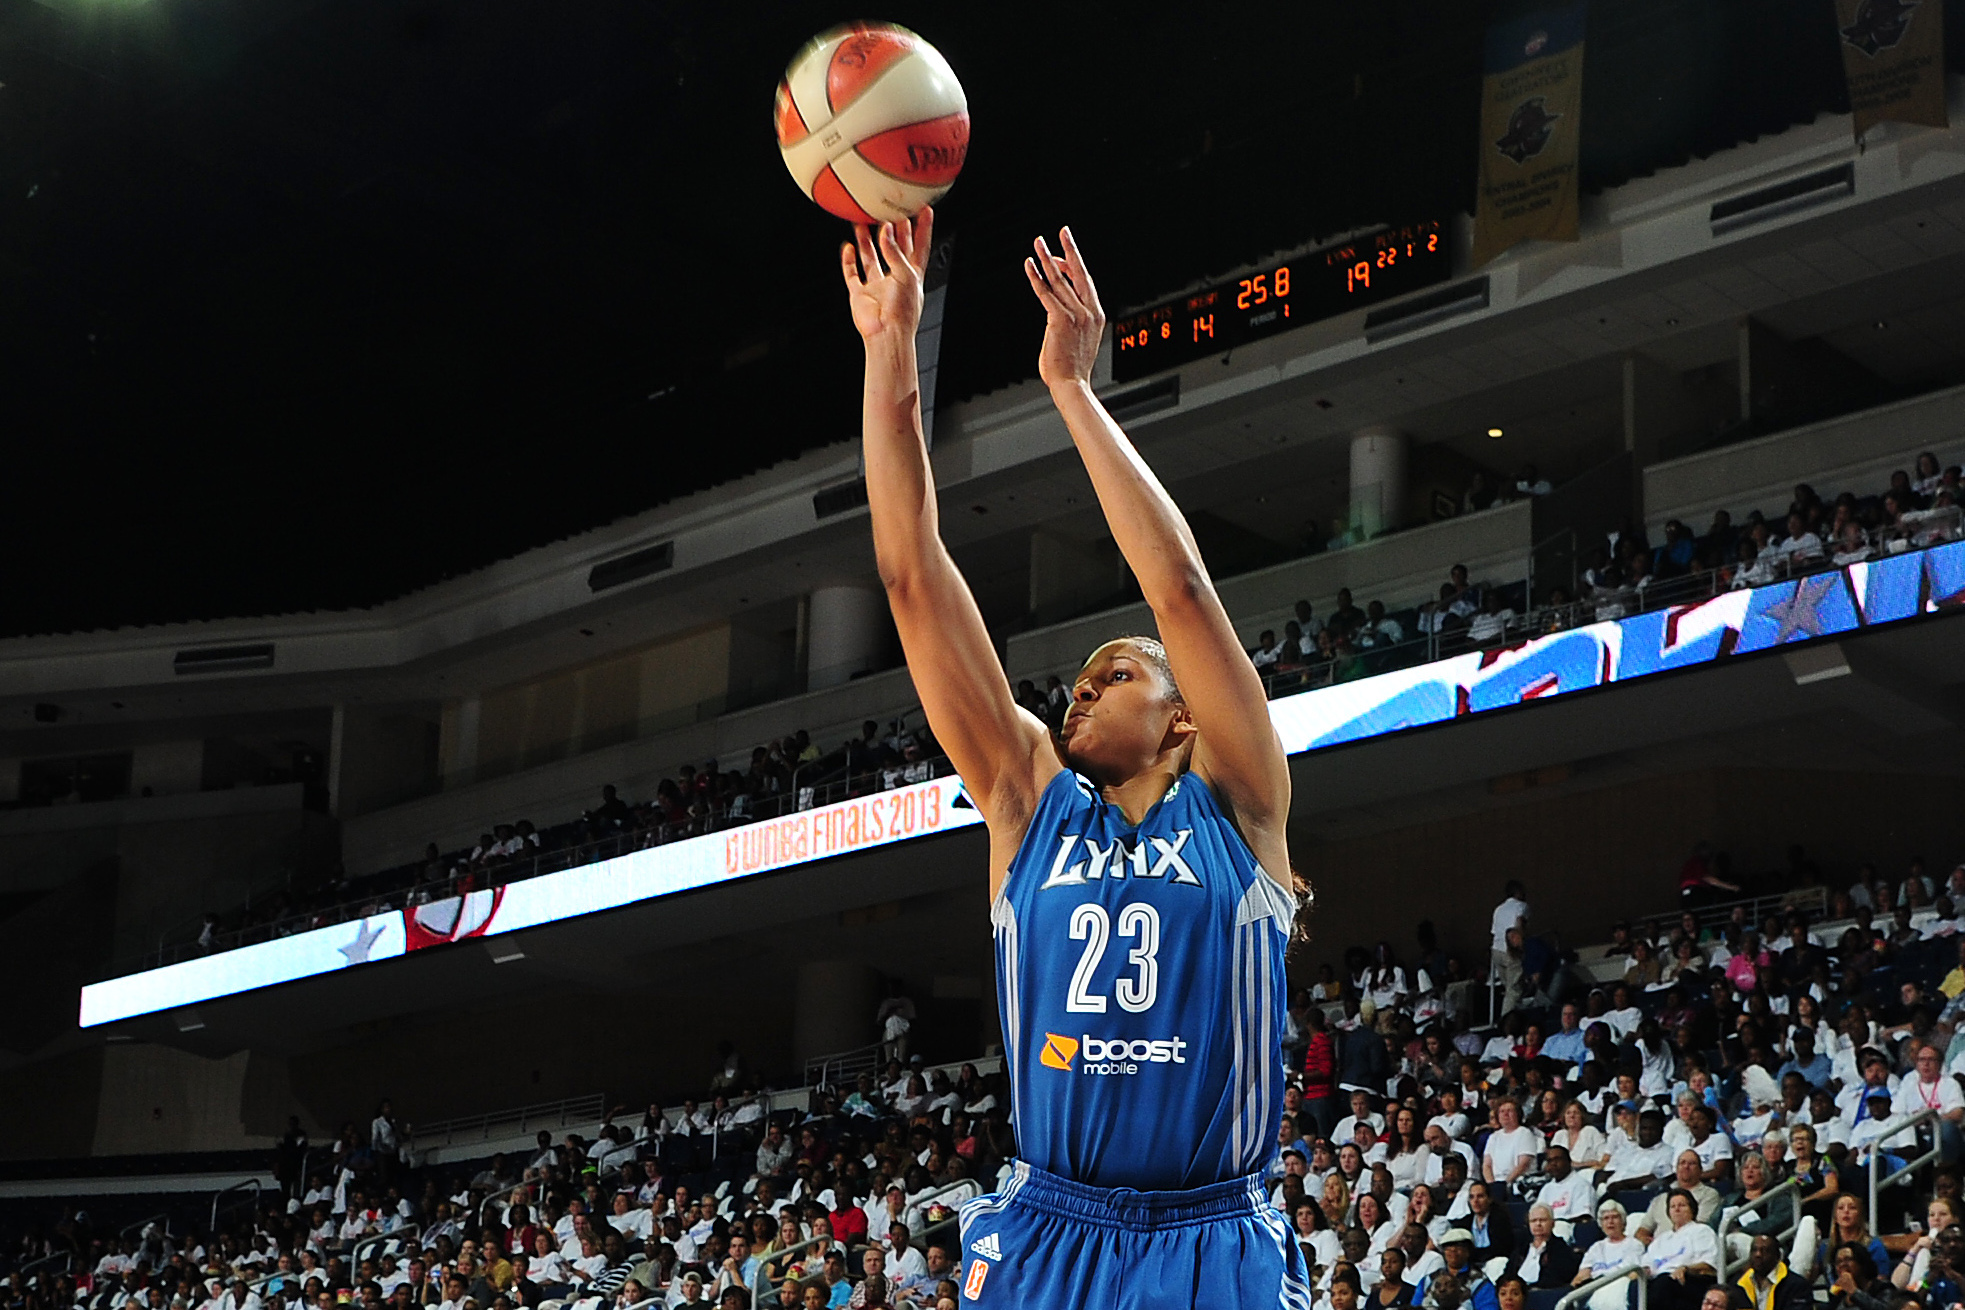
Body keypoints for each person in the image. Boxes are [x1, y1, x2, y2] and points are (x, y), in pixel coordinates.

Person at [842, 212, 1305, 1310]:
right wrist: (891, 346)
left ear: (1185, 718)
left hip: (1212, 1237)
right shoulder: (1024, 799)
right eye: (1080, 681)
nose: (1081, 689)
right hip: (1049, 1229)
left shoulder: (1240, 807)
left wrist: (1072, 390)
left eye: (1117, 674)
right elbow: (911, 572)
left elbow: (1181, 591)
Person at [1733, 1233, 1809, 1310]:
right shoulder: (1739, 1284)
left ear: (1777, 1256)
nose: (1758, 1254)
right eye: (1754, 1250)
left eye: (1764, 1250)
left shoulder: (1796, 1285)